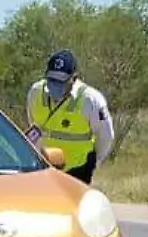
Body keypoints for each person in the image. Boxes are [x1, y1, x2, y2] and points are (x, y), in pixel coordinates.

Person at [25, 49, 115, 185]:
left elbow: (106, 136)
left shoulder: (90, 100)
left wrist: (94, 163)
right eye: (52, 80)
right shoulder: (36, 92)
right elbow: (32, 122)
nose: (55, 86)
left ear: (73, 78)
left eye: (61, 82)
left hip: (78, 170)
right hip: (45, 168)